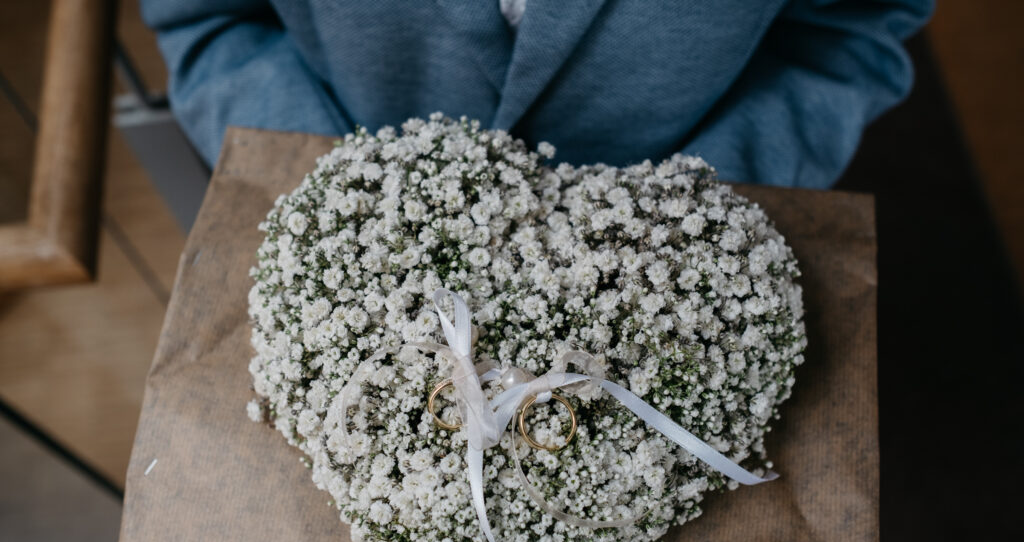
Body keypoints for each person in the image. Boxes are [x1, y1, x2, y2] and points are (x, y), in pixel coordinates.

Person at [141, 0, 933, 188]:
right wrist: (342, 197)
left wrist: (703, 206)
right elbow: (212, 21)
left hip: (689, 258)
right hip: (360, 243)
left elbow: (848, 30)